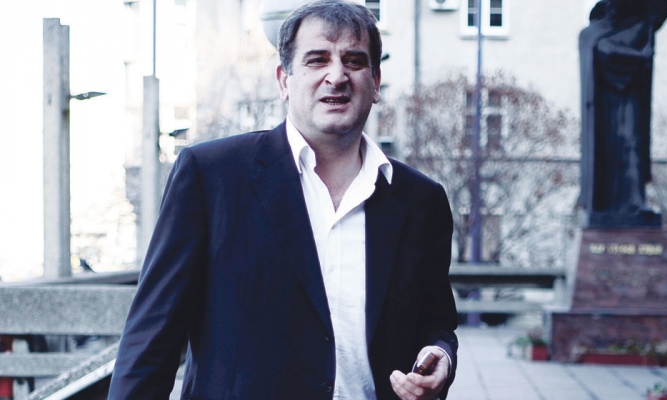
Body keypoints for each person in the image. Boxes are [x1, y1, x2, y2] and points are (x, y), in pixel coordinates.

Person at [109, 1, 458, 399]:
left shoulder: (421, 199)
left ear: (376, 83)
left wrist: (441, 356)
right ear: (284, 81)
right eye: (317, 60)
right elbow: (153, 334)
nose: (336, 76)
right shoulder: (212, 176)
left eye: (354, 61)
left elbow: (436, 321)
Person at [578, 0, 667, 225]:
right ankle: (604, 203)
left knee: (632, 143)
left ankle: (634, 201)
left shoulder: (637, 28)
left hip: (628, 101)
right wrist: (639, 55)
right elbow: (606, 53)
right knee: (606, 152)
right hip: (602, 110)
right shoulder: (592, 35)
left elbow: (659, 11)